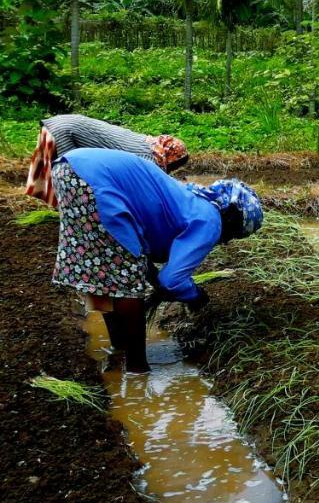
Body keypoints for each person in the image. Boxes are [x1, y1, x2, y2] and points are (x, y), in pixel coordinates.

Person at [49, 147, 263, 373]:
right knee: (127, 283)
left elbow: (145, 263)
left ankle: (119, 346)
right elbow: (172, 280)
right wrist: (196, 296)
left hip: (70, 168)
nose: (227, 241)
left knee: (109, 272)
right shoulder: (210, 221)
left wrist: (156, 282)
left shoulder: (192, 202)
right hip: (93, 179)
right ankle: (137, 367)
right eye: (234, 234)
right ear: (232, 220)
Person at [26, 114, 189, 207]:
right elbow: (148, 188)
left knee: (64, 174)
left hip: (61, 123)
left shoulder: (149, 143)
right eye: (174, 166)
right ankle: (73, 213)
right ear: (170, 159)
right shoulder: (147, 159)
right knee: (71, 176)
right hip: (65, 131)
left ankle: (65, 209)